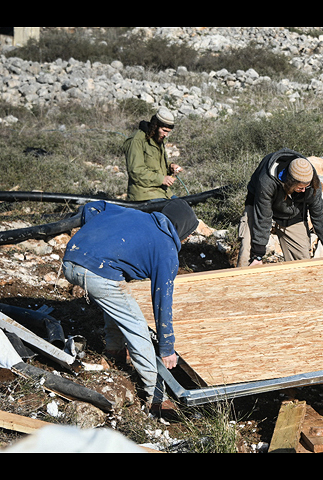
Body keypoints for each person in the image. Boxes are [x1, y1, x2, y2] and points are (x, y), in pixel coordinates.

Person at [62, 199, 199, 416]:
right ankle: (156, 398)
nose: (189, 238)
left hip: (71, 257)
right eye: (189, 233)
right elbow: (162, 303)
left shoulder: (136, 215)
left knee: (116, 300)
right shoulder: (167, 251)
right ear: (183, 230)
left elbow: (94, 207)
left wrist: (97, 236)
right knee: (136, 326)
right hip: (95, 271)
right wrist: (167, 348)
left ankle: (114, 351)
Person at [237, 148, 323, 268]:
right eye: (300, 187)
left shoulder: (312, 184)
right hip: (258, 207)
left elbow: (320, 219)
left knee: (303, 265)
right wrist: (257, 256)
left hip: (291, 211)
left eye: (306, 187)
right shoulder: (267, 181)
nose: (303, 190)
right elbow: (263, 217)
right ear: (289, 181)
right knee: (247, 260)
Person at [124, 107, 184, 202]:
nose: (166, 135)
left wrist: (170, 166)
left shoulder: (157, 138)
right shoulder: (136, 140)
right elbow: (135, 171)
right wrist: (162, 179)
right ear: (155, 126)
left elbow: (155, 162)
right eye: (164, 130)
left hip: (163, 192)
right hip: (144, 195)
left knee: (183, 206)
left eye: (168, 132)